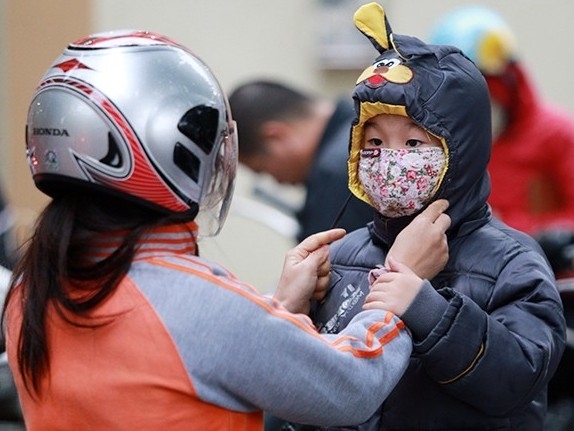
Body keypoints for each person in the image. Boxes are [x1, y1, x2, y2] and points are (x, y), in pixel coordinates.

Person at [0, 30, 452, 431]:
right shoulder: (191, 300)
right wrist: (402, 279)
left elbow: (184, 365)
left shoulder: (30, 289)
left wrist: (282, 307)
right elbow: (351, 385)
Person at [268, 3, 566, 430]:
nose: (390, 160)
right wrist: (287, 312)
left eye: (412, 144)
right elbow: (302, 391)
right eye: (374, 142)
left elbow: (518, 379)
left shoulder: (510, 261)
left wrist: (430, 312)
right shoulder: (343, 255)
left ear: (460, 149)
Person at [429, 6, 574, 238]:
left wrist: (535, 234)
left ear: (509, 79)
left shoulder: (557, 134)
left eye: (485, 84)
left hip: (546, 269)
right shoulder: (441, 143)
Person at [228, 80, 374, 242]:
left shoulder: (335, 174)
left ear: (275, 137)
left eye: (262, 169)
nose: (277, 181)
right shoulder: (372, 125)